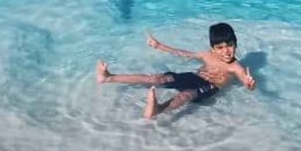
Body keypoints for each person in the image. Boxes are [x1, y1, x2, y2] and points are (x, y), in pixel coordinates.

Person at [96, 22, 256, 120]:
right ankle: (109, 77)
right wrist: (159, 46)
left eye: (230, 45)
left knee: (186, 95)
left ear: (236, 44)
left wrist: (249, 85)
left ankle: (159, 109)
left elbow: (244, 79)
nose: (226, 51)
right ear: (212, 48)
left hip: (209, 87)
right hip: (194, 76)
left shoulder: (235, 66)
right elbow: (183, 53)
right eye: (220, 47)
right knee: (157, 79)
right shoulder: (207, 55)